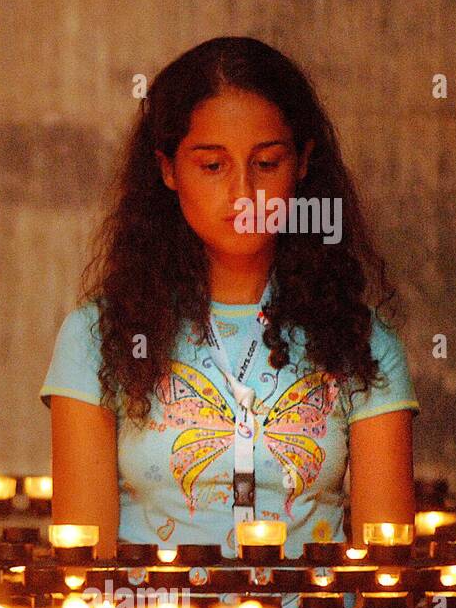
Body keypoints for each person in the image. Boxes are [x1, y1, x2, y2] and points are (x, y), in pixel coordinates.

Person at [39, 36, 417, 559]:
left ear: (303, 163)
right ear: (168, 169)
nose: (244, 193)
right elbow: (83, 567)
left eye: (266, 163)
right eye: (212, 166)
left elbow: (388, 573)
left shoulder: (362, 339)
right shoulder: (98, 337)